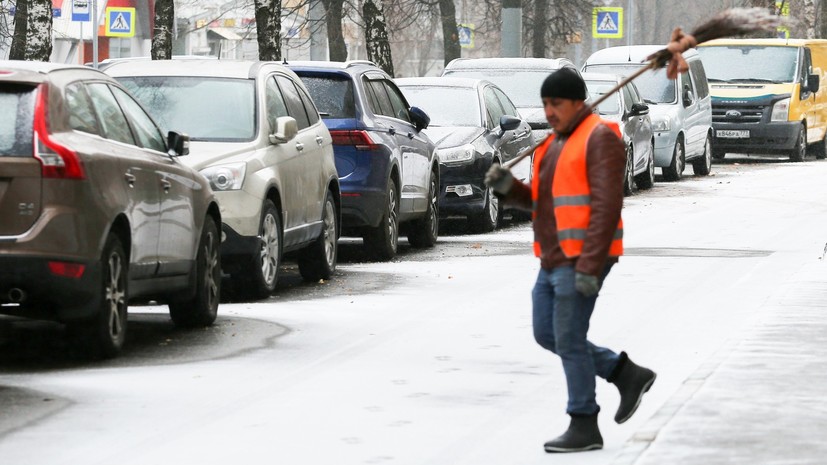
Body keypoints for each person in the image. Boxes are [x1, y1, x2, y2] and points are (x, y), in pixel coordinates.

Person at [484, 68, 656, 453]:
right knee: (547, 333)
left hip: (583, 257)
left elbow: (606, 207)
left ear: (578, 102)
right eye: (545, 104)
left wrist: (590, 267)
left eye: (556, 103)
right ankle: (625, 373)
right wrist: (508, 189)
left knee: (569, 338)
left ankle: (583, 422)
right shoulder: (553, 144)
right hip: (553, 256)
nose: (549, 111)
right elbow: (541, 203)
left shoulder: (600, 139)